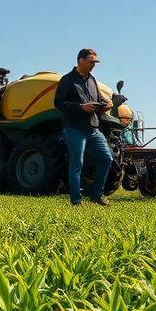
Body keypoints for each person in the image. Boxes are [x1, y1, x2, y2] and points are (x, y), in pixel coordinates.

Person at [54, 48, 113, 206]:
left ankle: (97, 194)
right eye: (91, 61)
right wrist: (81, 107)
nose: (94, 65)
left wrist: (105, 105)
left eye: (95, 62)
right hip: (74, 128)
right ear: (81, 60)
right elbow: (58, 103)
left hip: (92, 128)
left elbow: (98, 99)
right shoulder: (67, 80)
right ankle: (76, 201)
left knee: (106, 158)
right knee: (77, 163)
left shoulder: (92, 80)